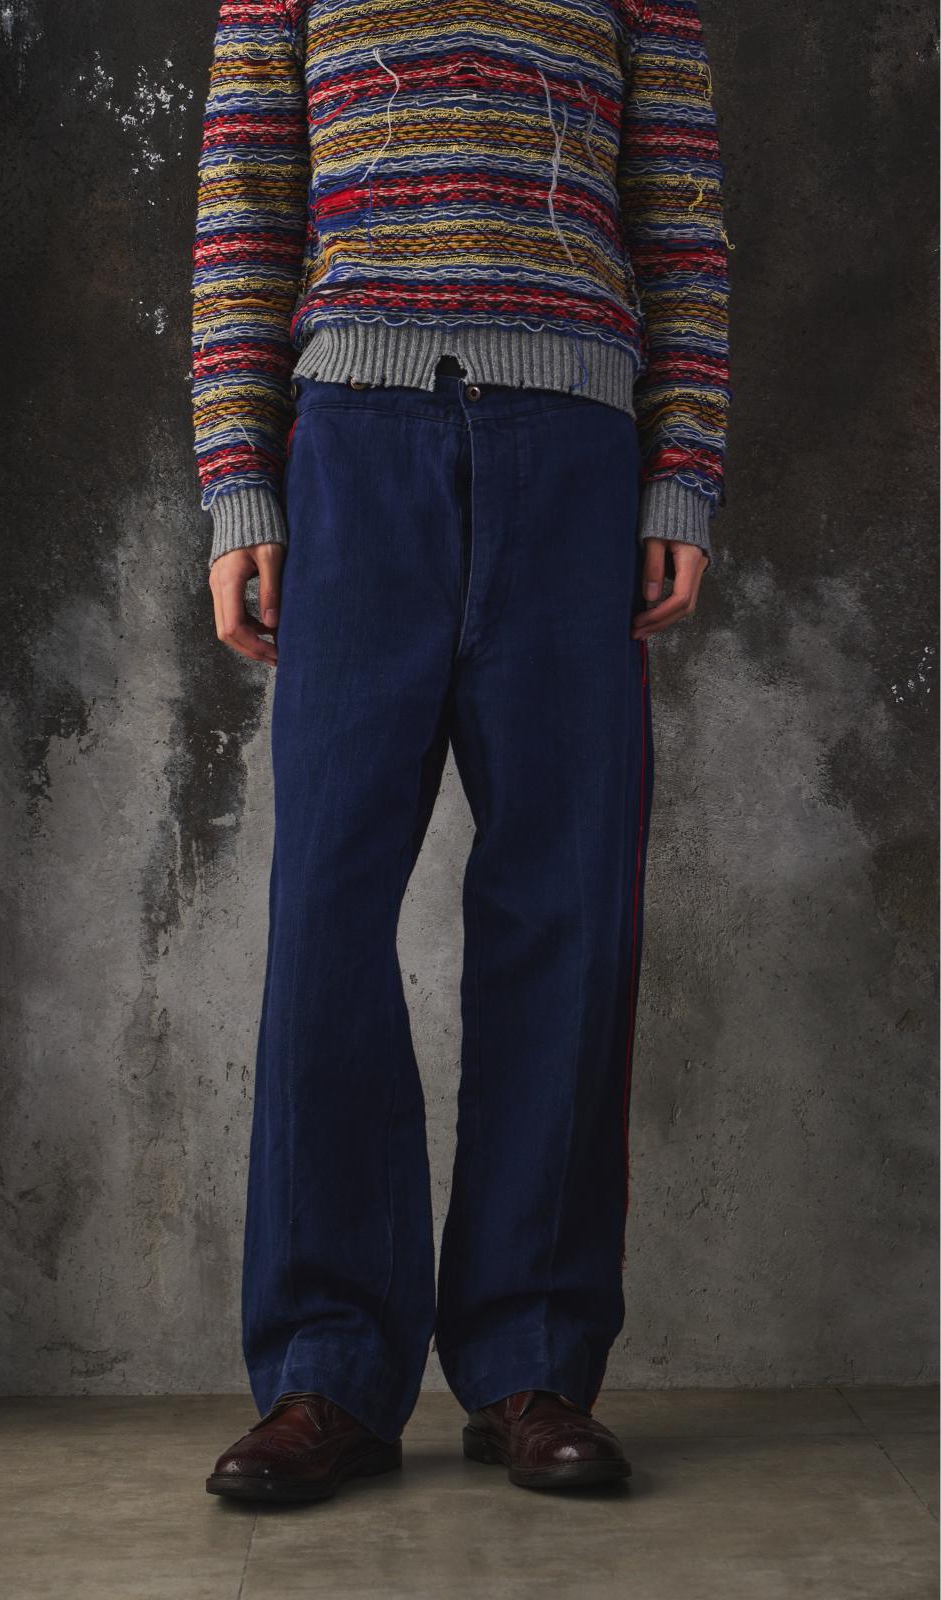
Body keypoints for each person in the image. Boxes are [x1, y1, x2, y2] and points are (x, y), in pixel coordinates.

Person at [192, 0, 730, 1502]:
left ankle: (532, 1361)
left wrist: (683, 471)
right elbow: (243, 203)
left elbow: (681, 220)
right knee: (325, 913)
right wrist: (237, 483)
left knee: (569, 911)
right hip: (356, 451)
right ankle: (327, 1370)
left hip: (575, 454)